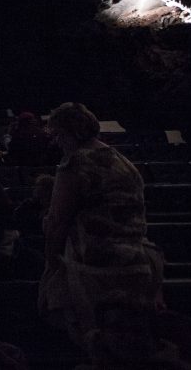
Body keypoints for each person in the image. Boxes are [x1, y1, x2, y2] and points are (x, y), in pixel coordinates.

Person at [39, 102, 163, 352]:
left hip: (96, 268)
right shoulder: (123, 161)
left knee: (98, 343)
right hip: (138, 263)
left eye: (59, 135)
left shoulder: (76, 164)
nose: (57, 143)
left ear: (72, 132)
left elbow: (57, 222)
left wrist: (51, 267)